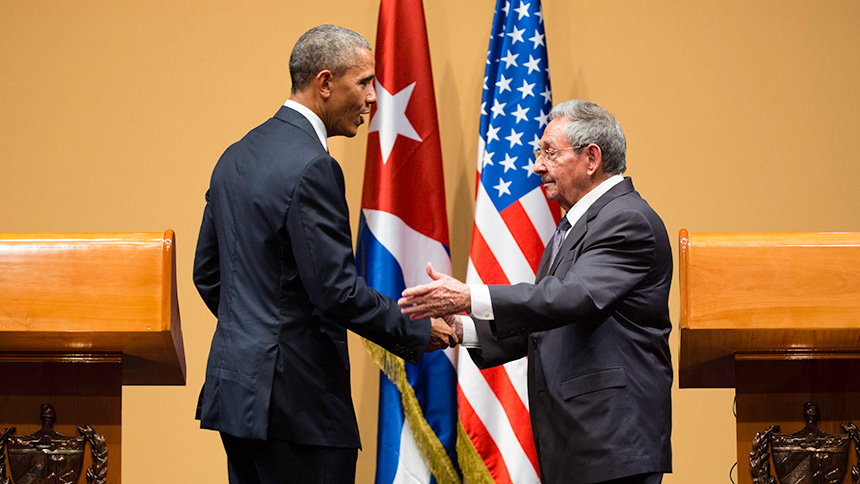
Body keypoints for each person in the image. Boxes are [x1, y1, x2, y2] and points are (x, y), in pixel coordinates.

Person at [192, 24, 458, 484]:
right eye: (364, 82)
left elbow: (208, 274)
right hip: (300, 407)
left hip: (237, 396)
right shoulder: (315, 166)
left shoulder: (234, 156)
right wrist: (414, 332)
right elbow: (334, 290)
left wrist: (257, 336)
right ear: (325, 82)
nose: (374, 98)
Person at [398, 100, 673, 484]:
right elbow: (550, 320)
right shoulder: (574, 226)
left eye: (549, 152)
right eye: (538, 153)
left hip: (612, 443)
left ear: (591, 157)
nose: (537, 165)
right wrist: (465, 330)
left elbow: (571, 297)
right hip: (579, 444)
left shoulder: (627, 220)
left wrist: (469, 296)